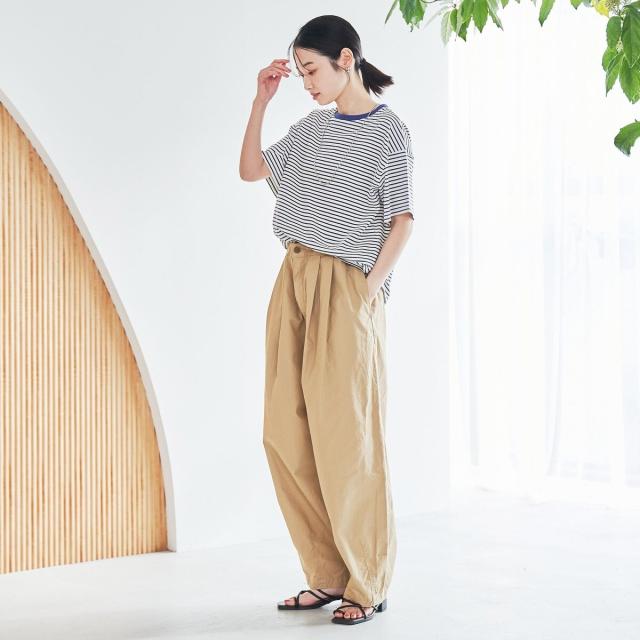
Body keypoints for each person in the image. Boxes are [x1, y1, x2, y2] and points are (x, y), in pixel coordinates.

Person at [239, 14, 414, 626]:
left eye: (311, 69)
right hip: (293, 279)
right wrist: (261, 102)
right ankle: (326, 574)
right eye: (300, 72)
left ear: (346, 59)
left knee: (350, 440)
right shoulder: (311, 129)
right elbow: (252, 170)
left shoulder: (388, 131)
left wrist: (366, 290)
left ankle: (369, 580)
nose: (306, 82)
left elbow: (402, 221)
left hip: (346, 286)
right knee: (284, 431)